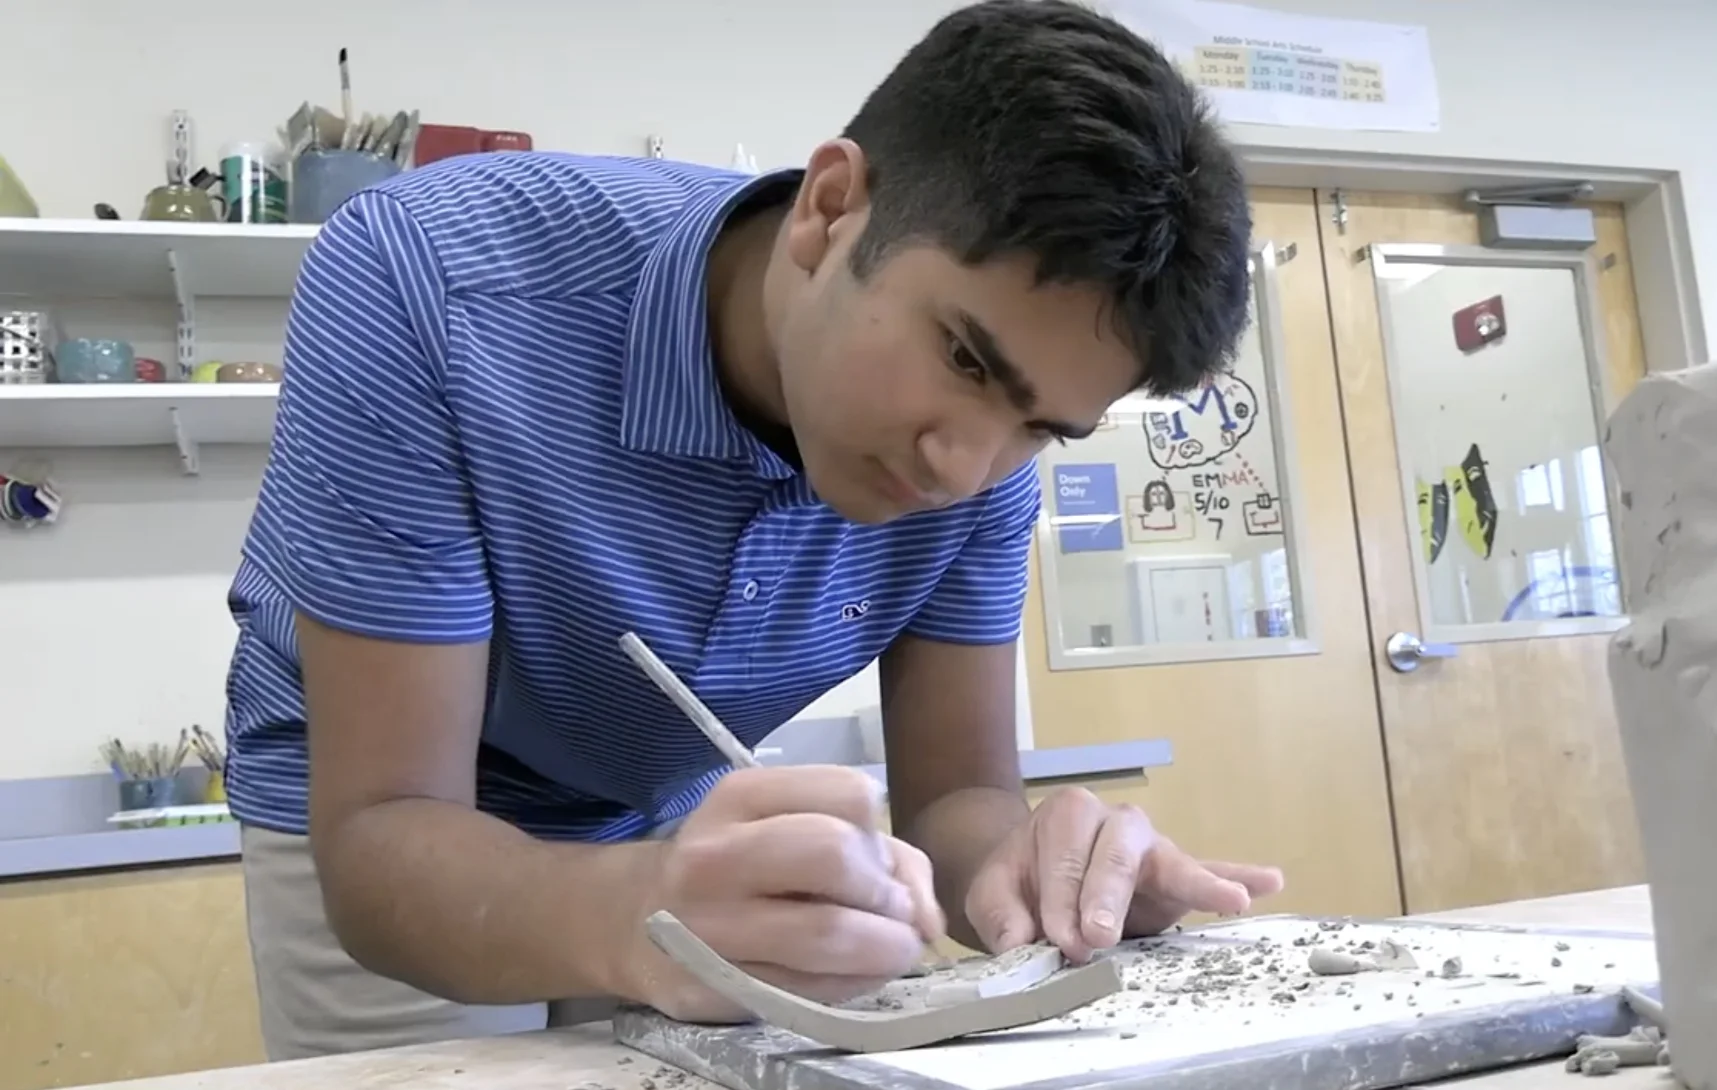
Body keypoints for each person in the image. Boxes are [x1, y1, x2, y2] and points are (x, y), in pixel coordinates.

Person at [223, 0, 1283, 1061]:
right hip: (385, 819)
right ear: (829, 211)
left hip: (666, 811)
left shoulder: (988, 456)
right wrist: (639, 914)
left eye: (1043, 427)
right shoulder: (428, 278)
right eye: (964, 358)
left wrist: (1033, 864)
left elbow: (956, 795)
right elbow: (384, 832)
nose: (963, 468)